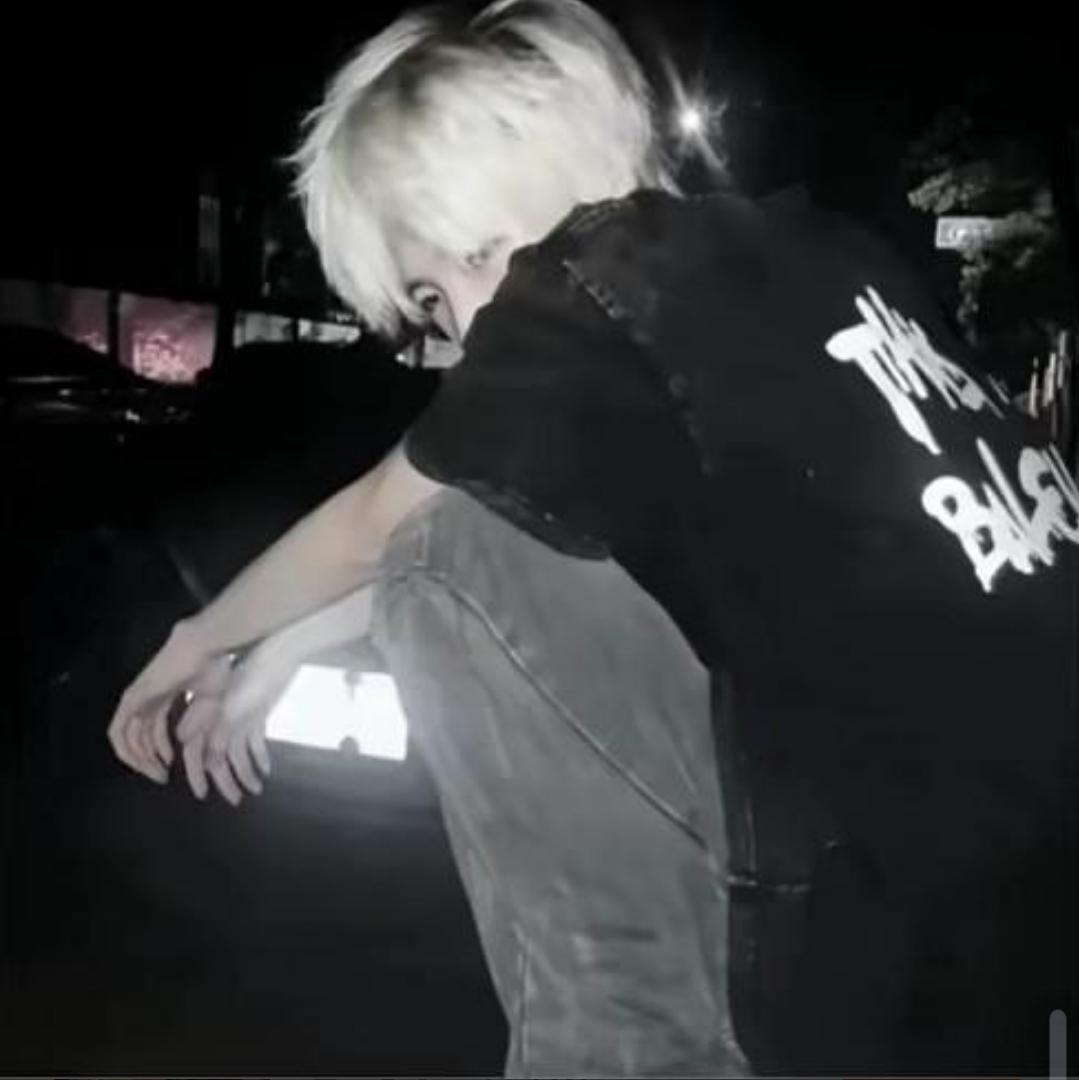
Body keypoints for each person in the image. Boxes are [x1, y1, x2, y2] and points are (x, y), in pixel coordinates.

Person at [109, 0, 1079, 1074]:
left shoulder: (587, 283)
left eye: (477, 252)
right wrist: (288, 645)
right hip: (1021, 879)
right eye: (431, 297)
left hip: (909, 914)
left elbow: (387, 523)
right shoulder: (795, 263)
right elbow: (492, 529)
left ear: (561, 169)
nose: (467, 326)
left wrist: (198, 641)